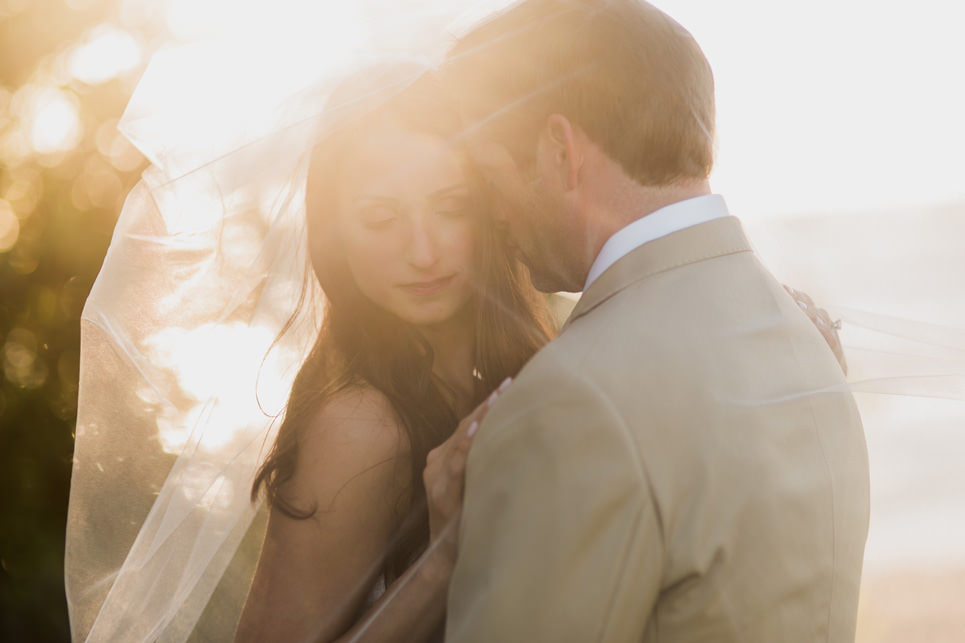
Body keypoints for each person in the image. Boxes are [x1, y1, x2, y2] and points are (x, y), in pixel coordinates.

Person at [440, 1, 870, 640]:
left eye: (487, 175)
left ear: (558, 150)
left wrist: (449, 549)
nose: (490, 215)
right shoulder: (802, 333)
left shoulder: (570, 402)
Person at [232, 68, 553, 642]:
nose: (423, 252)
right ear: (335, 232)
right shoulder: (361, 427)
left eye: (452, 207)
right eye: (381, 218)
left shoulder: (529, 370)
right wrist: (447, 554)